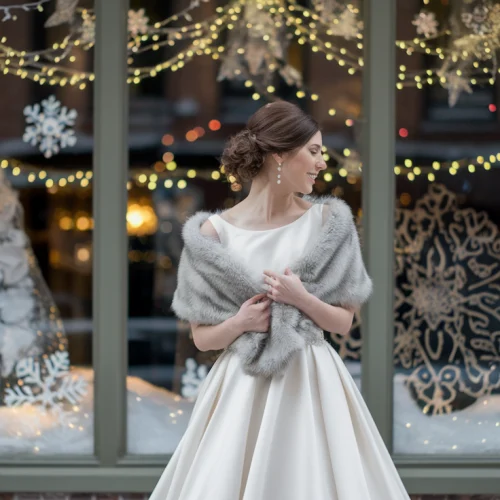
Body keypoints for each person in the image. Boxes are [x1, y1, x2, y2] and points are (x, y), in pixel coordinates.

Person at [149, 100, 410, 499]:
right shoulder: (212, 234)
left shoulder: (329, 224)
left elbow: (343, 323)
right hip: (241, 387)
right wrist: (240, 324)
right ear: (279, 157)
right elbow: (202, 339)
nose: (323, 163)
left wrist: (301, 298)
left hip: (311, 382)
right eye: (314, 151)